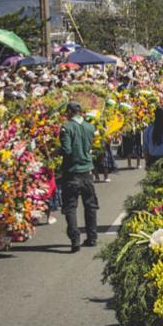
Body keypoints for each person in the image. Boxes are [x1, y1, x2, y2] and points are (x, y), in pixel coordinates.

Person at [59, 101, 99, 252]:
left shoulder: (67, 127)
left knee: (70, 207)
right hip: (87, 171)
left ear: (69, 112)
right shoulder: (90, 127)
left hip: (72, 172)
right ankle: (92, 237)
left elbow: (67, 150)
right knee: (90, 205)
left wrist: (57, 151)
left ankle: (75, 239)